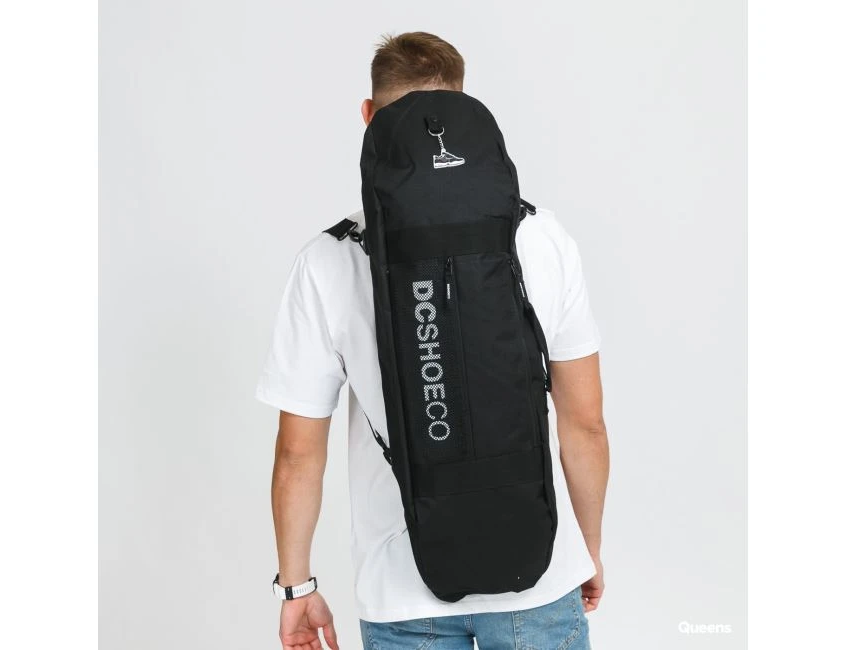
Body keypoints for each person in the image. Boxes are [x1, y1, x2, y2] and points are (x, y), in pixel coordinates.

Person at [256, 31, 610, 650]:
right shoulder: (542, 237)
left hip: (401, 597)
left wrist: (297, 587)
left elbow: (297, 454)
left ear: (369, 118)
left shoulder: (327, 260)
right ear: (460, 110)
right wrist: (586, 549)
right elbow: (584, 425)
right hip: (540, 580)